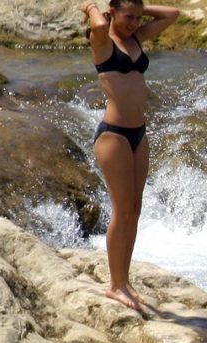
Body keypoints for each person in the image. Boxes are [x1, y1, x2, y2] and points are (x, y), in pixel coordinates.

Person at [82, 0, 179, 315]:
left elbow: (173, 14)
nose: (135, 23)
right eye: (128, 17)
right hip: (114, 135)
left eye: (138, 18)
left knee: (135, 210)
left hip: (139, 133)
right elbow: (99, 24)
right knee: (122, 209)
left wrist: (138, 8)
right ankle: (115, 284)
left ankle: (125, 280)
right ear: (112, 12)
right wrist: (91, 7)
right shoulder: (102, 40)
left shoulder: (136, 37)